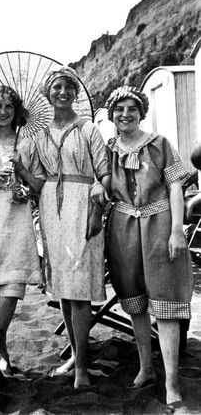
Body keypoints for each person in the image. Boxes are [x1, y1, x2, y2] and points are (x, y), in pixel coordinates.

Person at [104, 86, 193, 410]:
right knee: (135, 301)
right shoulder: (108, 149)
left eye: (131, 108)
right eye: (119, 109)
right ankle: (145, 368)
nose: (125, 114)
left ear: (141, 112)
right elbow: (101, 185)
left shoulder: (159, 144)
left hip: (159, 225)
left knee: (166, 302)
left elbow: (174, 187)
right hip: (123, 228)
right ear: (112, 114)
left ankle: (171, 384)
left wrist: (176, 232)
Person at [34, 66, 111, 388]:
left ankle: (81, 367)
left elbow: (104, 173)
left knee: (79, 289)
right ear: (47, 94)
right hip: (51, 207)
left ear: (75, 93)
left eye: (68, 86)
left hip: (83, 204)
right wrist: (21, 170)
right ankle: (76, 356)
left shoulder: (89, 129)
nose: (63, 92)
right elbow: (37, 183)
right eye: (56, 87)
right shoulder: (39, 135)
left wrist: (98, 202)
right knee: (64, 289)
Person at [0, 85, 45, 379]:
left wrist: (22, 176)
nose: (2, 112)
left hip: (15, 215)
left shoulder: (27, 144)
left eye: (8, 107)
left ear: (17, 112)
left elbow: (37, 187)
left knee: (12, 286)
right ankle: (2, 356)